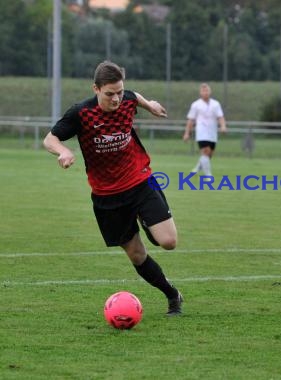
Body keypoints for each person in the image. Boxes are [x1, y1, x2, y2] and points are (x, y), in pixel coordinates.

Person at [43, 61, 183, 316]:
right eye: (110, 93)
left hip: (140, 180)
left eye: (120, 91)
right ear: (95, 89)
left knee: (169, 242)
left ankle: (147, 221)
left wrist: (150, 105)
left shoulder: (127, 99)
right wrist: (63, 151)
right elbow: (49, 138)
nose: (117, 98)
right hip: (107, 196)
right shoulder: (81, 113)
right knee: (137, 255)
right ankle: (172, 295)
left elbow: (135, 97)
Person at [183, 83, 227, 176]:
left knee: (209, 154)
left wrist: (223, 126)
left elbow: (220, 117)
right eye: (203, 91)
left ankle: (197, 168)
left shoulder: (216, 104)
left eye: (207, 90)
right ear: (200, 93)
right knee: (205, 151)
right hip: (201, 132)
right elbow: (191, 120)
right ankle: (208, 175)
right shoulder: (196, 105)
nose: (205, 93)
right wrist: (187, 133)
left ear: (210, 92)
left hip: (212, 133)